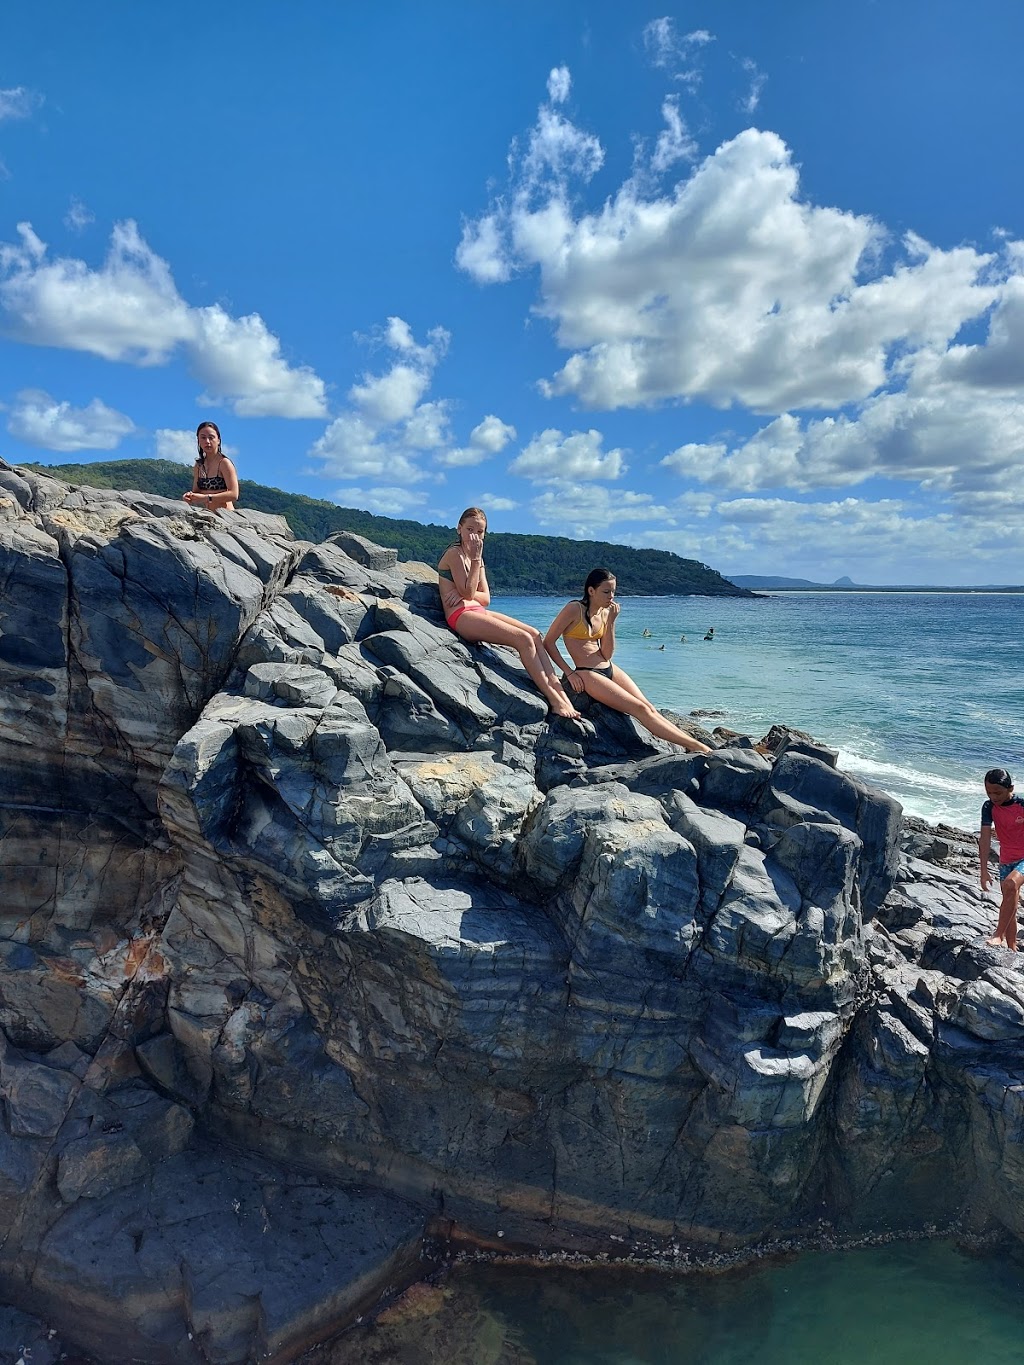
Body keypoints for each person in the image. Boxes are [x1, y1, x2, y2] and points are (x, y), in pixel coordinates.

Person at [543, 569, 711, 753]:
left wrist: (612, 622)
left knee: (648, 706)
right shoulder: (574, 609)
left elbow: (607, 654)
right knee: (640, 709)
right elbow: (548, 642)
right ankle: (699, 747)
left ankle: (687, 744)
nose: (611, 596)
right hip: (587, 672)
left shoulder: (606, 613)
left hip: (608, 668)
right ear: (591, 591)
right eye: (606, 592)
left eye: (613, 592)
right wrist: (570, 672)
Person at [437, 507, 579, 720]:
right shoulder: (455, 554)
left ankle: (560, 692)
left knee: (533, 634)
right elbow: (468, 591)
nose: (474, 536)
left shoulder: (477, 557)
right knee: (521, 639)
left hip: (477, 611)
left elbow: (485, 598)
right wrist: (471, 573)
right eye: (469, 529)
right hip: (460, 617)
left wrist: (467, 592)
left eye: (480, 531)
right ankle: (555, 700)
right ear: (459, 529)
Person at [980, 767, 1024, 951]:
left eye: (997, 792)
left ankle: (998, 934)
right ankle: (1012, 948)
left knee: (1010, 884)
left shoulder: (1022, 805)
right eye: (989, 792)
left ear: (1010, 788)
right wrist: (983, 871)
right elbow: (984, 839)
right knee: (1009, 901)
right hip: (1006, 859)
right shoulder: (989, 807)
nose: (993, 797)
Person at [183, 422, 239, 511]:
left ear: (218, 440)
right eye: (203, 438)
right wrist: (190, 496)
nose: (207, 442)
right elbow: (196, 492)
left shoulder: (224, 463)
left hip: (226, 515)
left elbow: (234, 494)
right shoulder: (199, 465)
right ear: (198, 440)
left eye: (211, 437)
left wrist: (207, 498)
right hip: (207, 514)